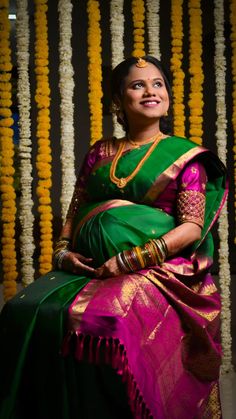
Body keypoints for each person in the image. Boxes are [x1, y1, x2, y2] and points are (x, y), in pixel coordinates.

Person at [0, 56, 228, 419]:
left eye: (158, 84)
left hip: (158, 267)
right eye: (137, 85)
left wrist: (129, 259)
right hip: (87, 267)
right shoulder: (100, 152)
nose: (150, 91)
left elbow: (191, 229)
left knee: (104, 321)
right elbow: (76, 212)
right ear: (118, 101)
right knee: (21, 309)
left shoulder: (187, 157)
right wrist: (63, 254)